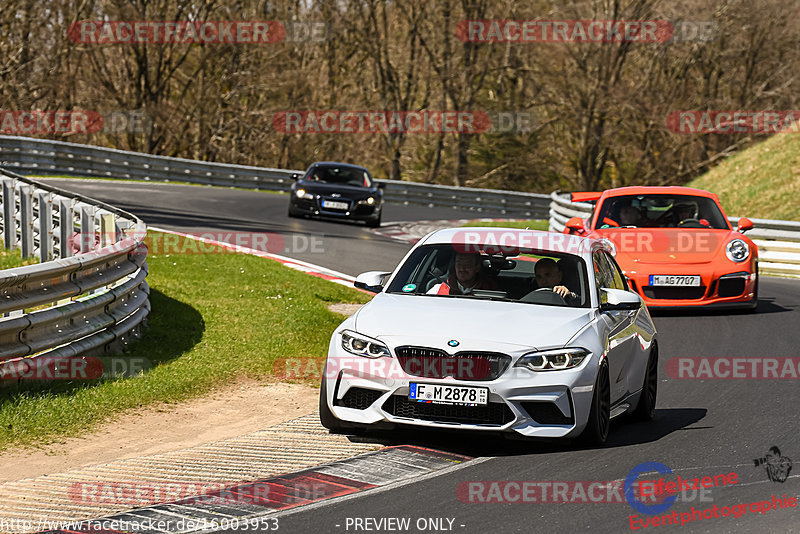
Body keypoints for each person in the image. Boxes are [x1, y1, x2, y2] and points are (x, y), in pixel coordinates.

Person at [428, 252, 497, 295]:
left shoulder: (491, 292)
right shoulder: (437, 290)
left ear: (477, 267)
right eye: (459, 263)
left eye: (468, 263)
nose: (462, 268)